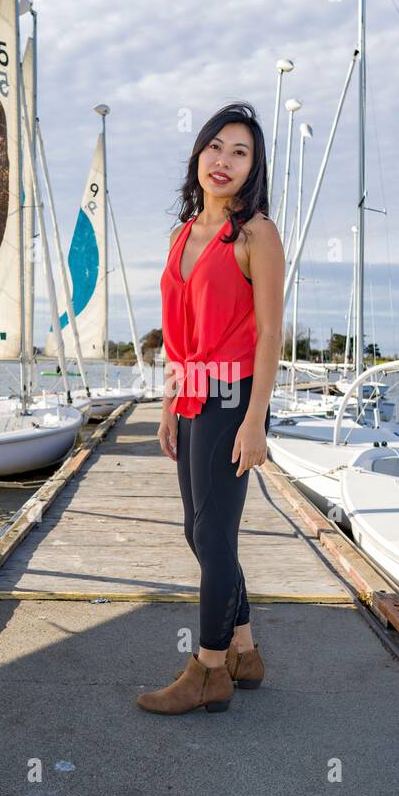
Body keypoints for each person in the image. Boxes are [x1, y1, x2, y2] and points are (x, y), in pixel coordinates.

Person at [137, 101, 284, 716]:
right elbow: (176, 333)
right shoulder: (180, 236)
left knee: (215, 535)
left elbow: (272, 334)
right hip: (193, 393)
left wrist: (255, 421)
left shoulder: (258, 235)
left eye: (240, 152)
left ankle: (210, 669)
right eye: (215, 147)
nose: (223, 161)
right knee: (198, 531)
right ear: (199, 154)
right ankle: (245, 651)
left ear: (252, 169)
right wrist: (170, 403)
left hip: (234, 397)